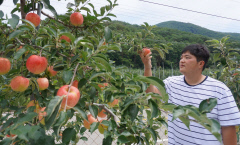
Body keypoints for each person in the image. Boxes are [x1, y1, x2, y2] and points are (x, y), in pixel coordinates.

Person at [140, 44, 240, 145]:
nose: (182, 60)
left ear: (201, 64)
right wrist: (147, 67)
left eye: (187, 57)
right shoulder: (171, 83)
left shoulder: (219, 89)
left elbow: (228, 127)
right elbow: (152, 94)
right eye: (181, 57)